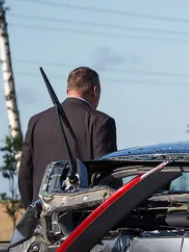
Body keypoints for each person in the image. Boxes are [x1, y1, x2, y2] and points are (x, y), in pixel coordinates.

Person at [18, 66, 118, 207]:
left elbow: (24, 177)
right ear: (95, 91)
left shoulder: (36, 121)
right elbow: (107, 176)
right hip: (83, 219)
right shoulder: (101, 122)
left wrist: (34, 211)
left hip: (42, 217)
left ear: (69, 89)